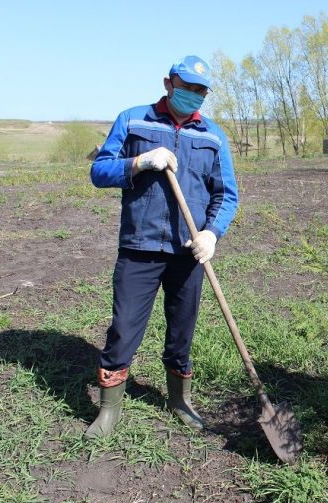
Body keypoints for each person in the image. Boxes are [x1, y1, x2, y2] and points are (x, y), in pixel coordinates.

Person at [86, 55, 239, 439]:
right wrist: (139, 161)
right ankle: (108, 410)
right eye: (187, 87)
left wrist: (211, 234)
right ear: (168, 83)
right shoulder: (133, 119)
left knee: (182, 331)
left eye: (201, 90)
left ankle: (179, 400)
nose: (194, 95)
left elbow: (226, 195)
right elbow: (99, 171)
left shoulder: (212, 136)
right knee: (123, 328)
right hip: (139, 247)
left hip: (188, 253)